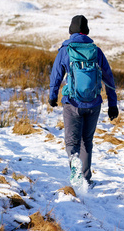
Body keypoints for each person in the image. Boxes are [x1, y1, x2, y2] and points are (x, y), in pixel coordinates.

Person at [49, 15, 118, 185]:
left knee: (72, 142)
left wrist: (52, 96)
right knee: (86, 141)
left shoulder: (65, 50)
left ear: (70, 31)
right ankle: (86, 179)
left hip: (72, 103)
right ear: (87, 31)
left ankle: (74, 166)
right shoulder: (96, 51)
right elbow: (109, 79)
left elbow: (56, 76)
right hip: (94, 104)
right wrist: (113, 104)